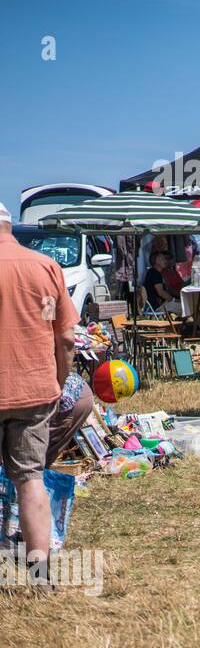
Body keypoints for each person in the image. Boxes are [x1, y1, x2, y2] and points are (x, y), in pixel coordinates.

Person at [0, 200, 77, 584]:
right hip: (33, 390)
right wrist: (60, 381)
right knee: (30, 479)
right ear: (10, 227)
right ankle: (39, 575)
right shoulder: (44, 267)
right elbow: (64, 336)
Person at [143, 249, 184, 315]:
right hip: (158, 307)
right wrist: (174, 300)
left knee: (187, 307)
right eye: (163, 259)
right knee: (187, 308)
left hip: (162, 304)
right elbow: (161, 292)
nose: (165, 261)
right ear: (156, 261)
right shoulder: (154, 273)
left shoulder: (155, 272)